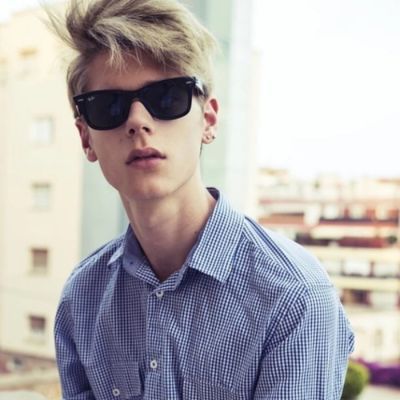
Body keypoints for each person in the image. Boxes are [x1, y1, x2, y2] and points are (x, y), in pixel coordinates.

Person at [48, 0, 354, 398]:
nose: (138, 122)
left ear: (208, 119)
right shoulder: (83, 296)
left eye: (167, 98)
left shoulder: (294, 296)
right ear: (85, 137)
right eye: (109, 107)